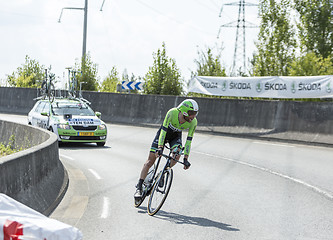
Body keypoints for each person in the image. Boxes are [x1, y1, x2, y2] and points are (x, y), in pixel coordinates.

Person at [134, 99, 199, 199]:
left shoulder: (193, 122)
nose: (193, 116)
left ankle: (162, 173)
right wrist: (160, 147)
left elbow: (189, 141)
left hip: (175, 137)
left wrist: (185, 158)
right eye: (191, 113)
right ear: (184, 110)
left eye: (195, 113)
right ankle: (139, 187)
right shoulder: (172, 113)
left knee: (177, 154)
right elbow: (163, 131)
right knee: (150, 161)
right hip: (163, 135)